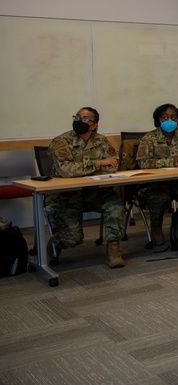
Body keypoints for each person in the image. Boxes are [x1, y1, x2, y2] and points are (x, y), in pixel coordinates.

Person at [44, 107, 128, 268]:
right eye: (77, 117)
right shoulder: (61, 141)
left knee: (115, 204)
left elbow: (113, 165)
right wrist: (99, 163)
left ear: (94, 125)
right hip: (65, 195)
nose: (79, 121)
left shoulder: (101, 141)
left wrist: (86, 167)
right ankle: (55, 242)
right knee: (73, 239)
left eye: (84, 119)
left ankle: (114, 250)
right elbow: (66, 171)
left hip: (93, 192)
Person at [135, 103, 178, 246]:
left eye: (173, 117)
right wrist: (171, 162)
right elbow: (143, 163)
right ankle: (156, 228)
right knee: (159, 198)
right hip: (156, 183)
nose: (169, 120)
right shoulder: (149, 138)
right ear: (159, 120)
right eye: (165, 117)